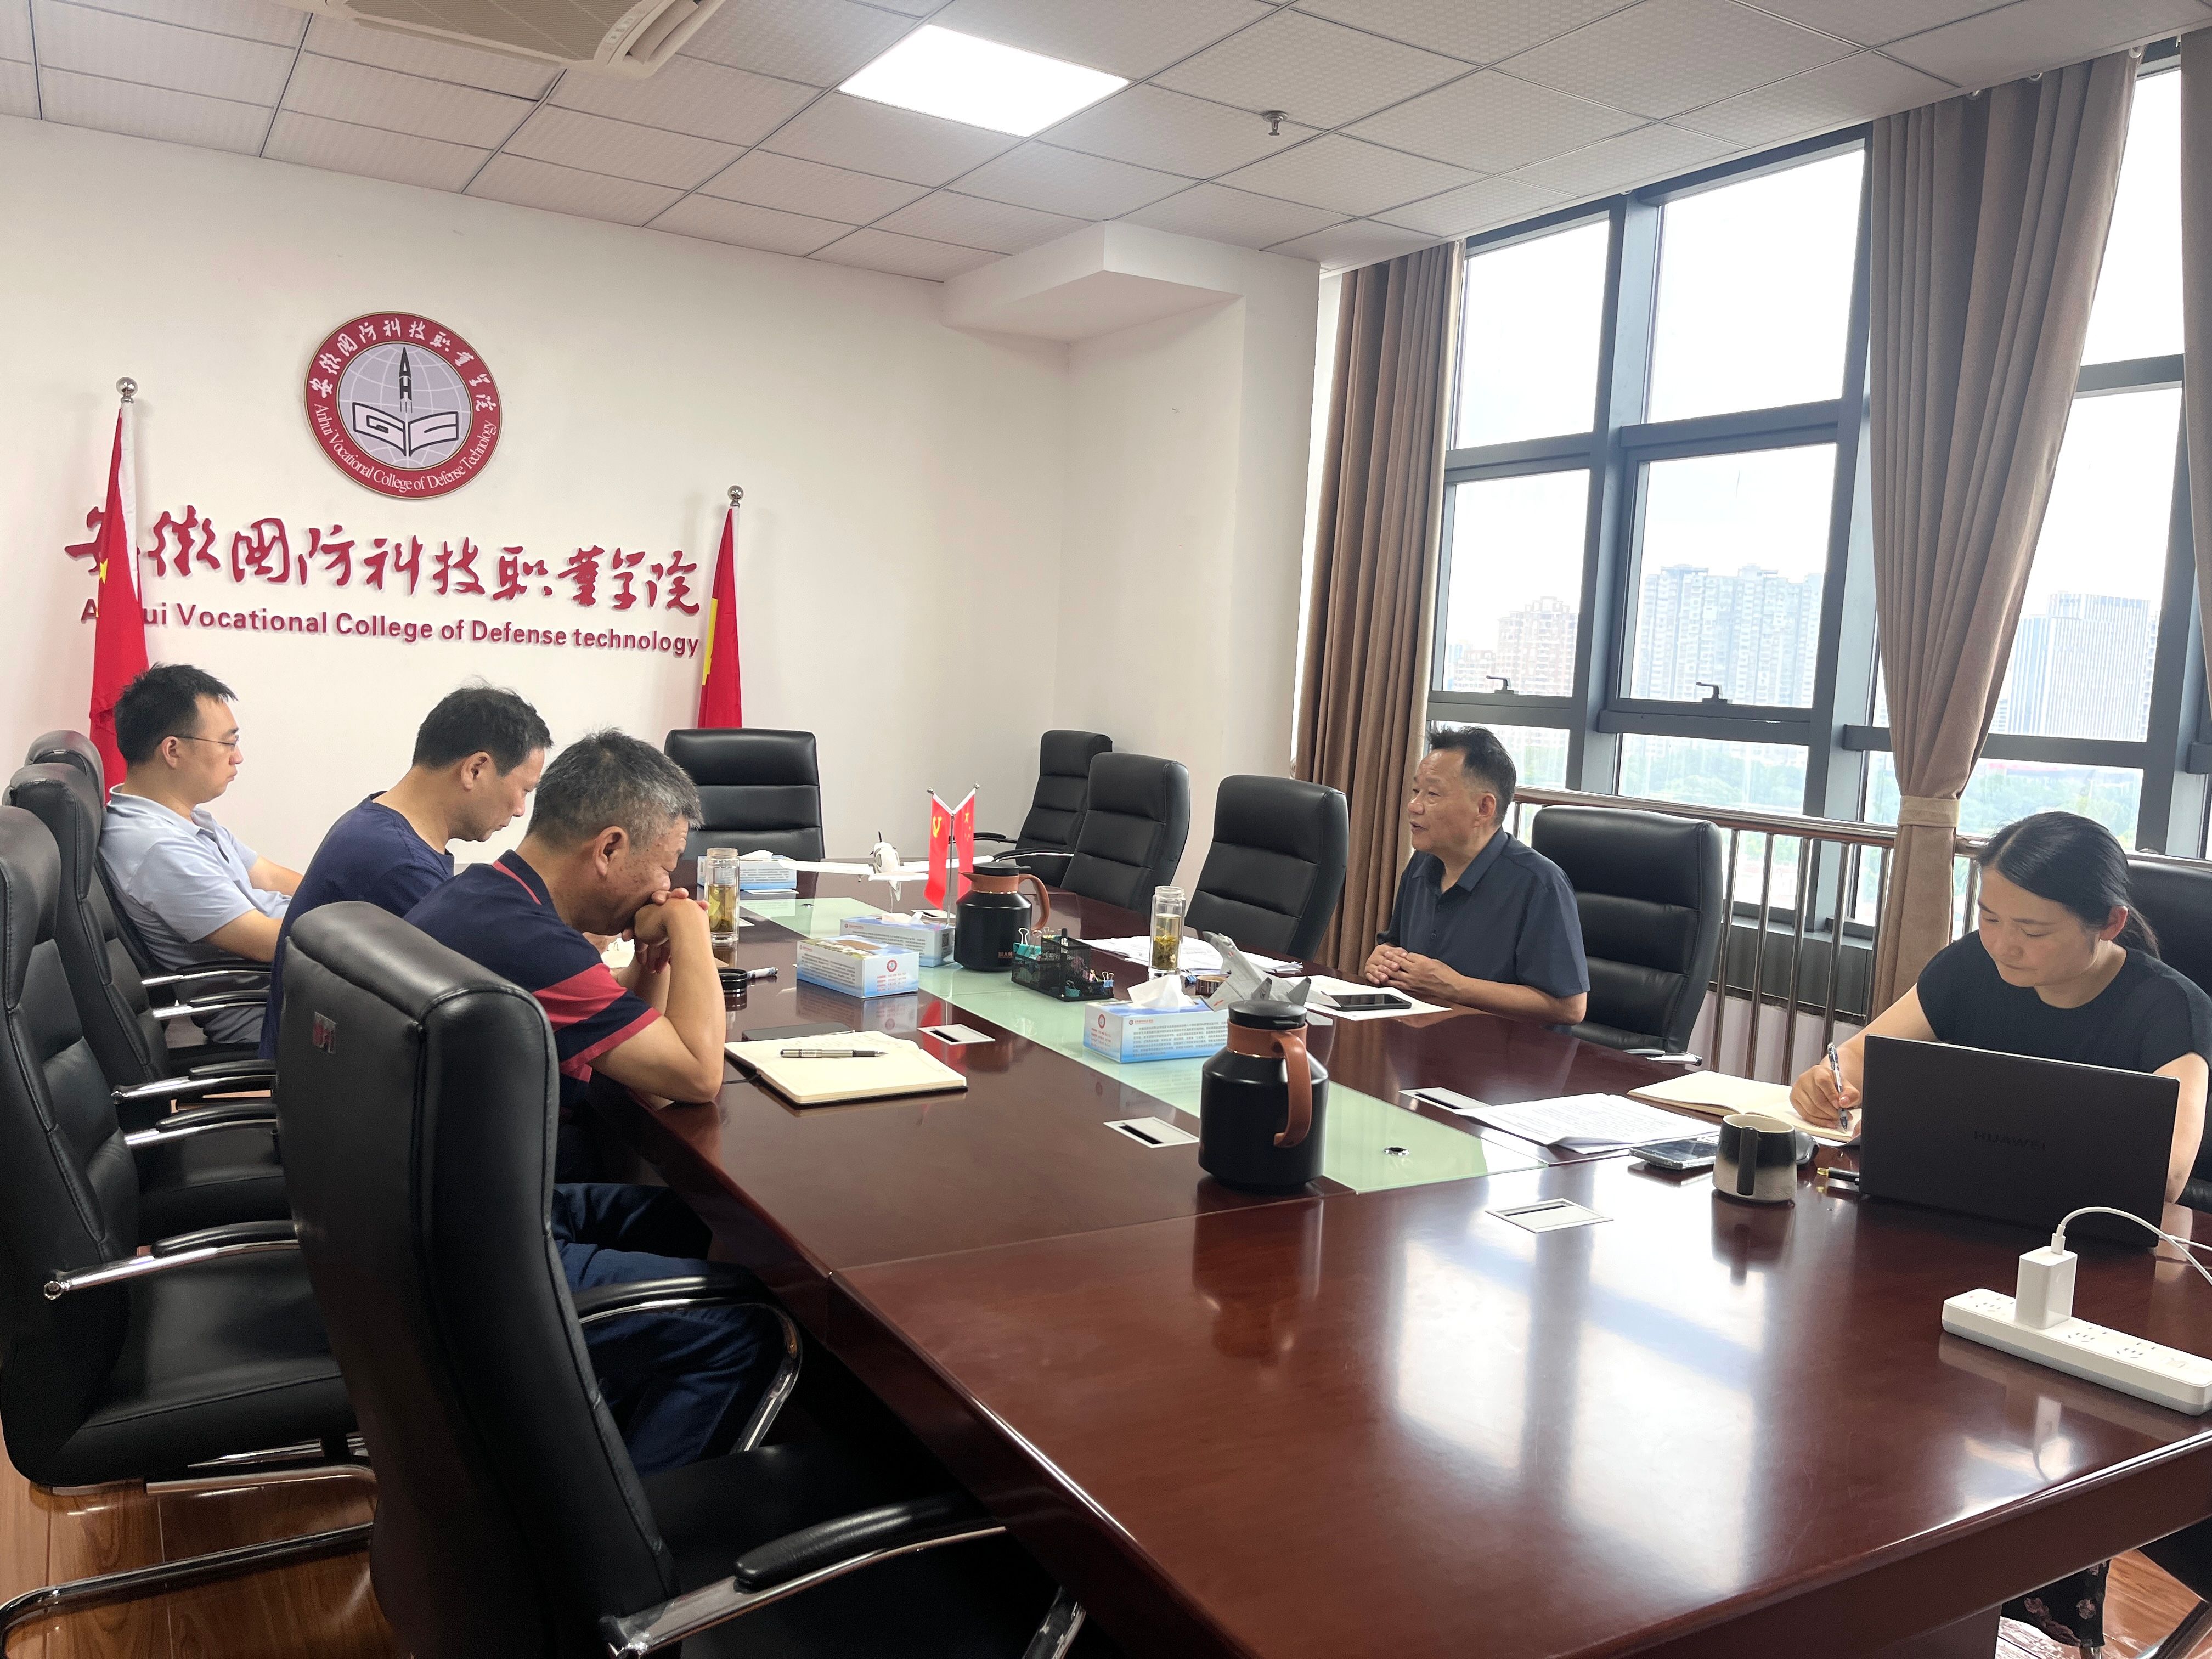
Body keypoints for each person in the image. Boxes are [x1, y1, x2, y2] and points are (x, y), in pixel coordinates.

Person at [1791, 810, 2211, 1654]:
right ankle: (1878, 1599)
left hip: (2099, 1278)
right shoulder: (1968, 969)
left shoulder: (2168, 1009)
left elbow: (2167, 1174)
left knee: (2033, 1441)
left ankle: (2031, 1626)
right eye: (1988, 916)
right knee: (1867, 1392)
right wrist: (1829, 1079)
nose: (2003, 945)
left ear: (2108, 925)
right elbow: (1862, 1058)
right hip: (1950, 1247)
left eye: (2033, 930)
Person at [406, 730, 775, 1475]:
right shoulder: (531, 945)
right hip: (480, 1258)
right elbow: (695, 1075)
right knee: (744, 1324)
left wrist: (655, 960)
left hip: (442, 1212)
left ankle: (612, 1421)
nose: (665, 887)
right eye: (665, 866)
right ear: (608, 848)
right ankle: (633, 1529)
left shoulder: (487, 898)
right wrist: (692, 927)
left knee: (700, 1225)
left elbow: (642, 1061)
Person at [259, 685, 550, 1058]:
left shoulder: (376, 821)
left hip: (320, 1062)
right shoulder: (403, 866)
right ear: (475, 769)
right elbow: (482, 1006)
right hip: (332, 1078)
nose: (521, 810)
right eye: (524, 790)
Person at [102, 664, 300, 1046]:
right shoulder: (158, 848)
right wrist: (357, 923)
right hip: (274, 1012)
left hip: (293, 987)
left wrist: (350, 899)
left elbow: (268, 876)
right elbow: (266, 942)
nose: (237, 757)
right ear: (173, 750)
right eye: (227, 743)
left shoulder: (181, 818)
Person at [1362, 726, 1589, 1025]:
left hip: (1504, 1050)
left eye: (1433, 794)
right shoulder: (1422, 863)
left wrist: (1456, 987)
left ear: (1484, 808)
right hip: (1424, 1039)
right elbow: (1396, 944)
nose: (1414, 806)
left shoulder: (1540, 883)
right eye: (1416, 792)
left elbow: (1570, 1008)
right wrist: (1384, 957)